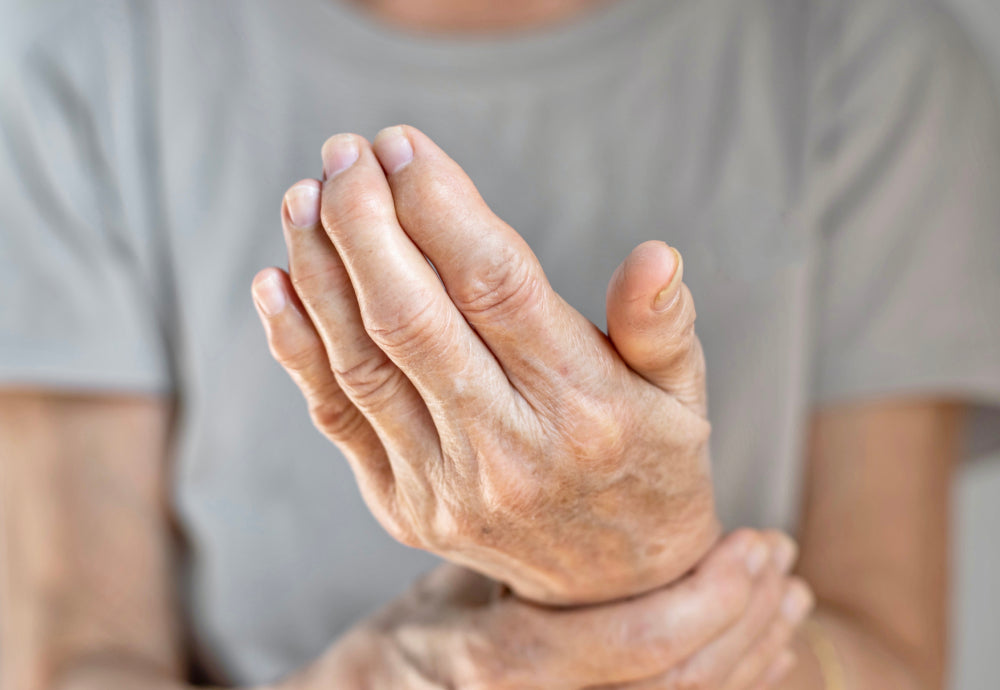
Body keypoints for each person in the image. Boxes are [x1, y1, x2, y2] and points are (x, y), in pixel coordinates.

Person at [1, 0, 998, 688]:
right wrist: (381, 682)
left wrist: (623, 575)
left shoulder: (866, 53)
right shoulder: (87, 52)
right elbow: (79, 656)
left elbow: (890, 660)